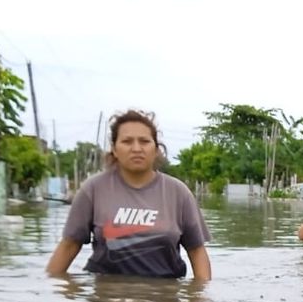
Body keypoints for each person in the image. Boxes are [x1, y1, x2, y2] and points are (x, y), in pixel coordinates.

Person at [46, 110, 211, 279]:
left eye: (144, 141)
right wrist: (52, 293)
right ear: (114, 149)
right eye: (127, 141)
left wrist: (201, 300)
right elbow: (69, 245)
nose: (136, 148)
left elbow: (197, 250)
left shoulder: (179, 193)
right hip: (106, 296)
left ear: (156, 149)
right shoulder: (93, 189)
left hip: (165, 296)